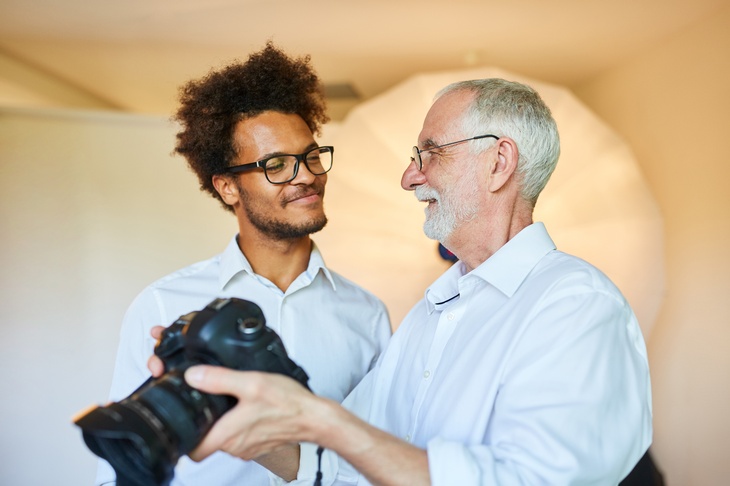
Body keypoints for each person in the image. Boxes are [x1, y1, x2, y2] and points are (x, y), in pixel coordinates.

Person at [151, 78, 653, 485]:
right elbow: (346, 464)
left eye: (430, 152)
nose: (409, 177)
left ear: (499, 163)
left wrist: (324, 421)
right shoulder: (428, 316)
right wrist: (235, 410)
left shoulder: (576, 306)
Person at [96, 43, 392, 486]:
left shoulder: (367, 315)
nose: (306, 175)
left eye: (311, 156)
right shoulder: (163, 306)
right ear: (227, 187)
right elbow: (123, 462)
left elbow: (381, 456)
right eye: (276, 164)